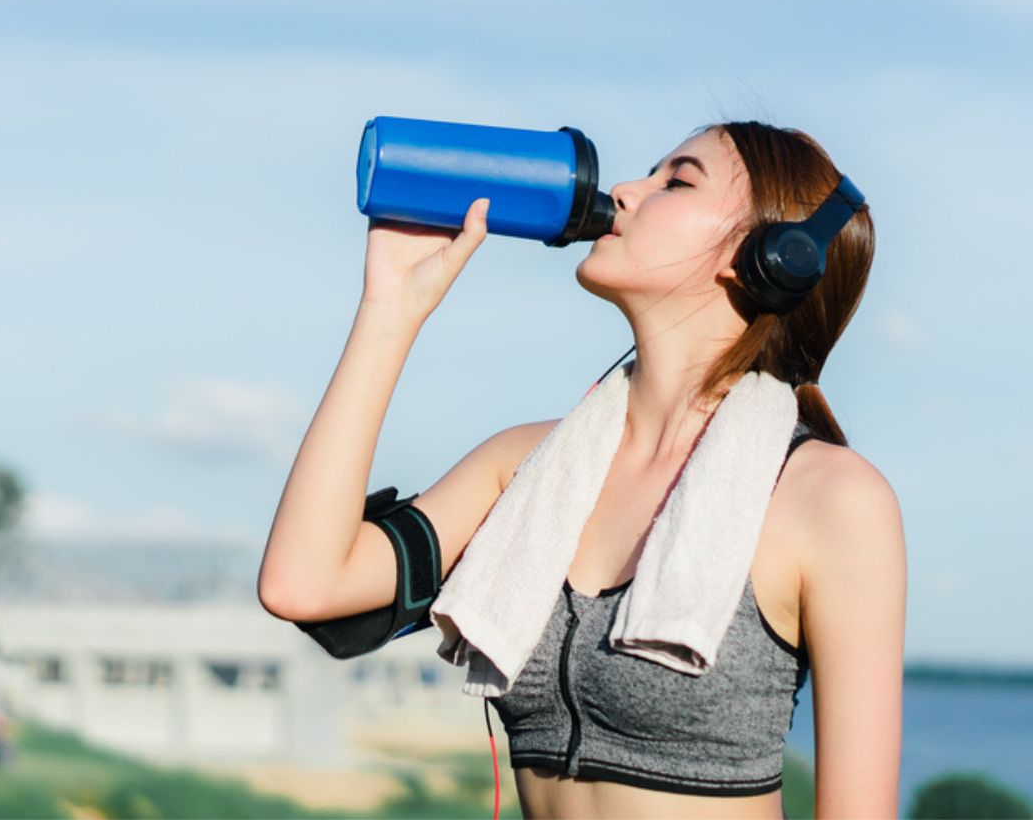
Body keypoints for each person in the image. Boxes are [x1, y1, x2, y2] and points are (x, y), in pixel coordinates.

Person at [258, 120, 906, 819]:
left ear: (776, 256)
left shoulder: (829, 499)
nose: (625, 191)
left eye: (676, 181)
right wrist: (390, 309)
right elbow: (305, 583)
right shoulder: (524, 468)